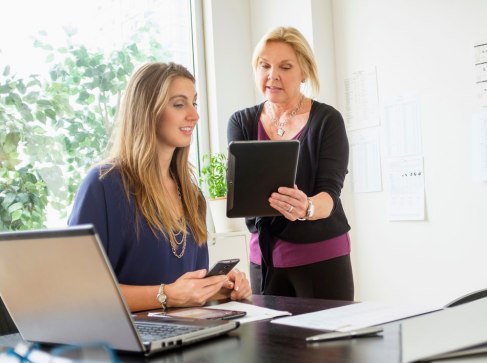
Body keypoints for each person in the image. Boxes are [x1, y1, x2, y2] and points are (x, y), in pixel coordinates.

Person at [69, 62, 251, 312]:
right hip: (128, 341)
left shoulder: (191, 194)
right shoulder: (103, 184)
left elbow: (185, 289)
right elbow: (79, 291)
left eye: (194, 103)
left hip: (185, 333)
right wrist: (166, 295)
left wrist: (219, 289)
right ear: (147, 111)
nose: (194, 115)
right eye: (179, 104)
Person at [227, 27, 354, 300]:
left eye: (285, 67)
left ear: (304, 72)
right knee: (268, 342)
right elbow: (243, 193)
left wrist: (306, 207)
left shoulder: (327, 121)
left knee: (329, 341)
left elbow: (330, 194)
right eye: (264, 66)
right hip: (264, 259)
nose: (273, 75)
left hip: (321, 257)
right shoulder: (241, 123)